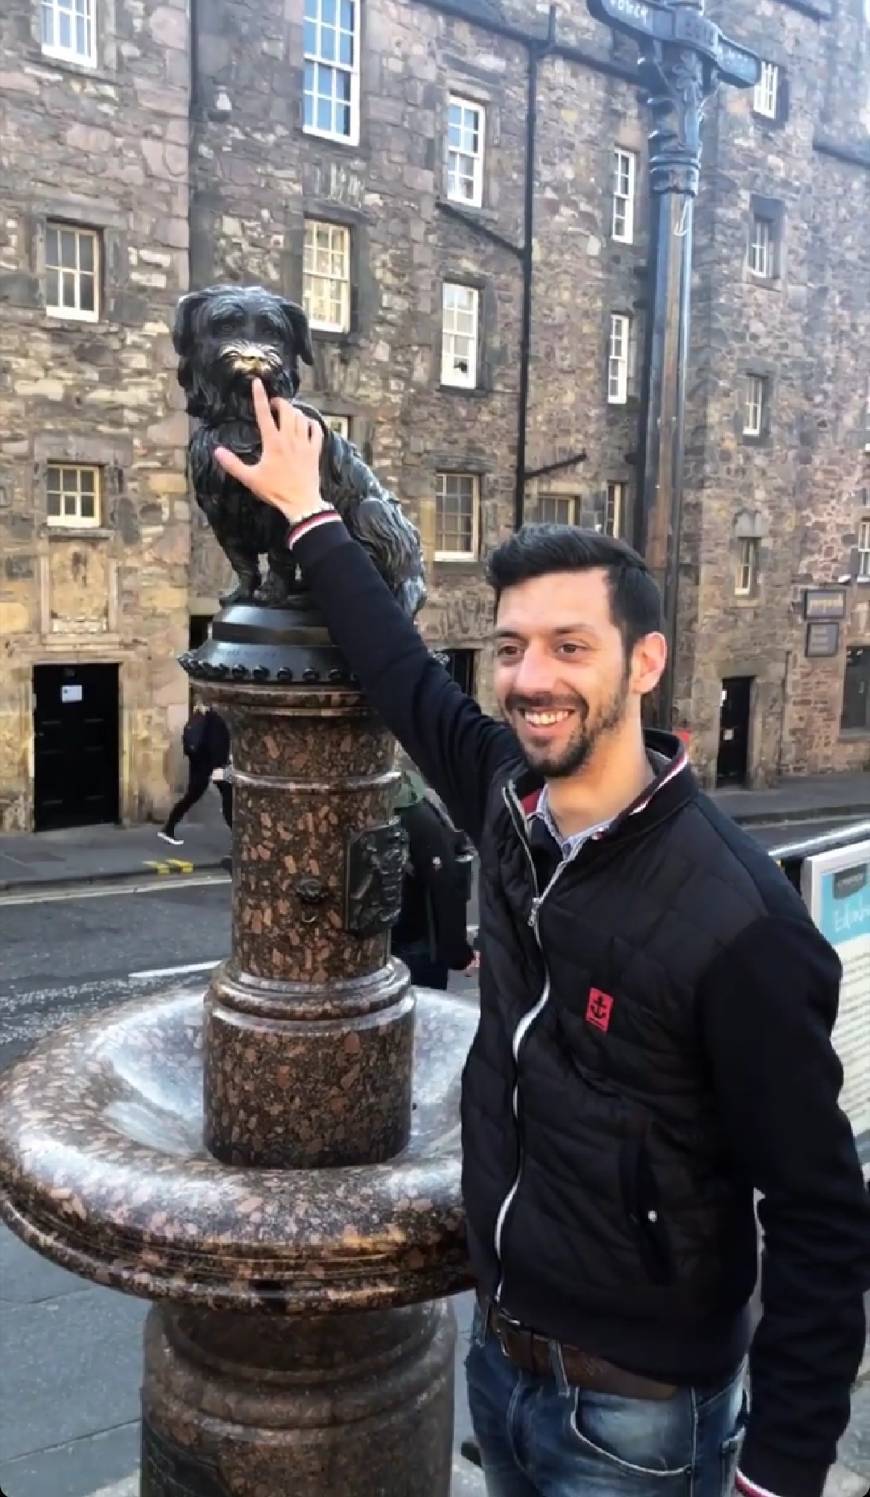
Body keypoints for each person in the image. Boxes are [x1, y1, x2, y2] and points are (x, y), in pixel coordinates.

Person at [215, 381, 870, 1497]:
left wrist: (782, 1471)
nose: (531, 679)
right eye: (514, 648)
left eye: (571, 646)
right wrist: (308, 511)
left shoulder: (740, 922)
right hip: (503, 1362)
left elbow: (820, 1215)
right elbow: (401, 673)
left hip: (640, 1412)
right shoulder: (507, 799)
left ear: (644, 663)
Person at [392, 762, 478, 988]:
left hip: (393, 940)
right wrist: (459, 954)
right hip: (416, 944)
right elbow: (446, 885)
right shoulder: (418, 813)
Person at [159, 702, 233, 846]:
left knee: (191, 797)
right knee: (228, 798)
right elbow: (216, 744)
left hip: (200, 765)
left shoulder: (197, 719)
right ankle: (238, 837)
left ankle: (168, 828)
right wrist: (220, 765)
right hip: (213, 767)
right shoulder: (214, 720)